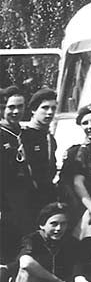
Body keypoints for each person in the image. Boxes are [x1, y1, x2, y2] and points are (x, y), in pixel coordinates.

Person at [0, 86, 34, 264]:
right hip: (4, 206)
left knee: (23, 253)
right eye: (11, 107)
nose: (16, 111)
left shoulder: (26, 135)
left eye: (20, 106)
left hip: (25, 204)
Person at [58, 104, 91, 229]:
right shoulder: (74, 153)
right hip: (82, 210)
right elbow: (67, 185)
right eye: (85, 123)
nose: (90, 126)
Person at [22, 88, 59, 228]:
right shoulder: (23, 136)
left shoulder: (50, 139)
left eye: (53, 108)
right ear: (33, 110)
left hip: (46, 200)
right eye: (45, 108)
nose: (50, 112)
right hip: (25, 201)